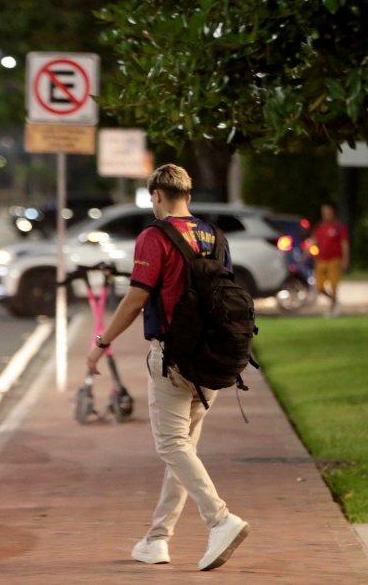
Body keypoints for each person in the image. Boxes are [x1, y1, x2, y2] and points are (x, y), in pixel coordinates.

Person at [84, 163, 250, 572]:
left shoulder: (154, 237)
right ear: (188, 195)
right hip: (213, 358)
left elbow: (137, 298)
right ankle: (157, 539)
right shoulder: (215, 236)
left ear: (157, 195)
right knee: (183, 449)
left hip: (173, 356)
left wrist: (102, 342)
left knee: (171, 445)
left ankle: (220, 519)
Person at [311, 202, 349, 317]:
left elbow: (344, 244)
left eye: (328, 212)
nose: (326, 215)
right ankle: (335, 302)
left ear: (333, 213)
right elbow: (313, 242)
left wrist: (345, 260)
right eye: (324, 213)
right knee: (319, 287)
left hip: (334, 260)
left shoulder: (339, 227)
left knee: (333, 285)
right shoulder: (320, 227)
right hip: (321, 260)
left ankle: (333, 309)